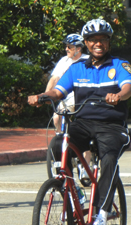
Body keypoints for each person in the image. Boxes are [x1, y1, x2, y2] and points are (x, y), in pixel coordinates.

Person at [28, 19, 131, 225]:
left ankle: (102, 215)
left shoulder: (119, 65)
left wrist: (118, 96)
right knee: (57, 145)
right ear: (86, 43)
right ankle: (71, 192)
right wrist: (42, 96)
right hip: (83, 123)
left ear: (109, 42)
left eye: (103, 39)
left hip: (112, 126)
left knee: (108, 161)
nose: (98, 44)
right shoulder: (77, 68)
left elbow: (127, 88)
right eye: (93, 40)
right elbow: (59, 91)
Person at [45, 33, 91, 180]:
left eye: (70, 47)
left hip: (81, 101)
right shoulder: (64, 61)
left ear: (79, 48)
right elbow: (54, 79)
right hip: (65, 100)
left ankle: (85, 167)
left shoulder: (87, 61)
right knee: (56, 118)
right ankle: (62, 147)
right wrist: (45, 95)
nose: (66, 49)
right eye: (66, 46)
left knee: (85, 133)